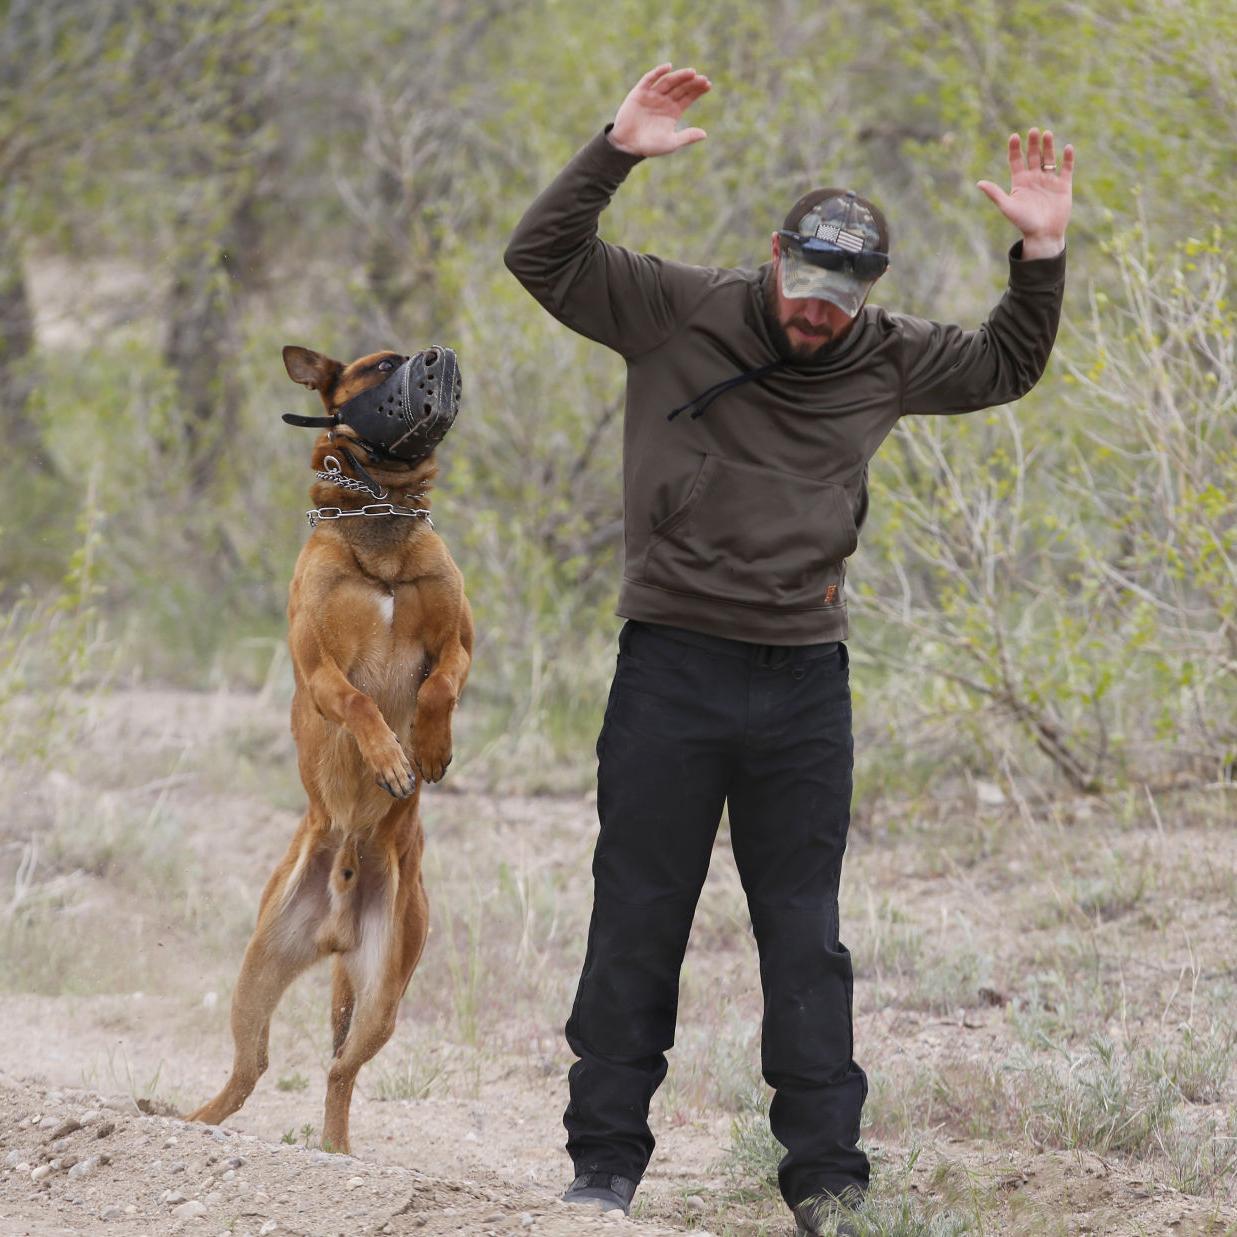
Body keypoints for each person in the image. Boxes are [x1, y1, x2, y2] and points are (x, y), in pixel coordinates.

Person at [504, 63, 1073, 1237]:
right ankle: (601, 1168)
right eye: (804, 279)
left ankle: (826, 1180)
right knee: (638, 915)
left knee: (803, 934)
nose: (816, 306)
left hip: (804, 676)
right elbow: (540, 259)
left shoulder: (890, 355)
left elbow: (1010, 365)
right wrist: (612, 149)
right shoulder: (675, 308)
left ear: (869, 290)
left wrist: (1041, 255)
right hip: (670, 662)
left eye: (841, 291)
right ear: (774, 255)